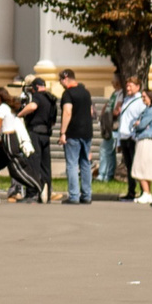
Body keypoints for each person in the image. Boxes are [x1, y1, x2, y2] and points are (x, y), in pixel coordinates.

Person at [58, 68, 95, 204]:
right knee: (85, 164)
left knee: (72, 164)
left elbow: (67, 112)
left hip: (73, 133)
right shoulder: (86, 92)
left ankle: (74, 196)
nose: (60, 83)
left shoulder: (68, 93)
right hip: (87, 132)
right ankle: (86, 195)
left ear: (65, 79)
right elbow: (91, 112)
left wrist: (63, 133)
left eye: (60, 80)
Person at [120, 77, 152, 202]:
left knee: (139, 165)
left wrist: (137, 127)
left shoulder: (140, 103)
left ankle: (144, 191)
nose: (128, 88)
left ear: (137, 87)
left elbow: (142, 122)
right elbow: (124, 120)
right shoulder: (126, 100)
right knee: (130, 165)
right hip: (125, 136)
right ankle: (132, 191)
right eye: (127, 86)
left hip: (135, 137)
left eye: (130, 86)